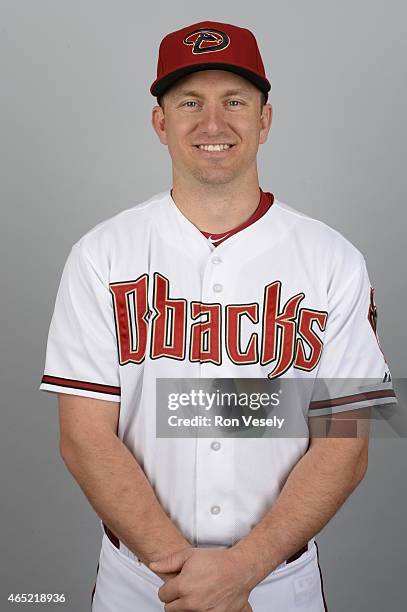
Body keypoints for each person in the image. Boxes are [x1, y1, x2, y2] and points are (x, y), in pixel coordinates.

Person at [39, 20, 397, 612]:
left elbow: (344, 443)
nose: (213, 124)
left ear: (265, 118)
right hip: (141, 582)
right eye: (189, 103)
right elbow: (83, 435)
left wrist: (243, 570)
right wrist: (188, 575)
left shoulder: (333, 260)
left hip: (278, 584)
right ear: (161, 122)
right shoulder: (101, 255)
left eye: (234, 101)